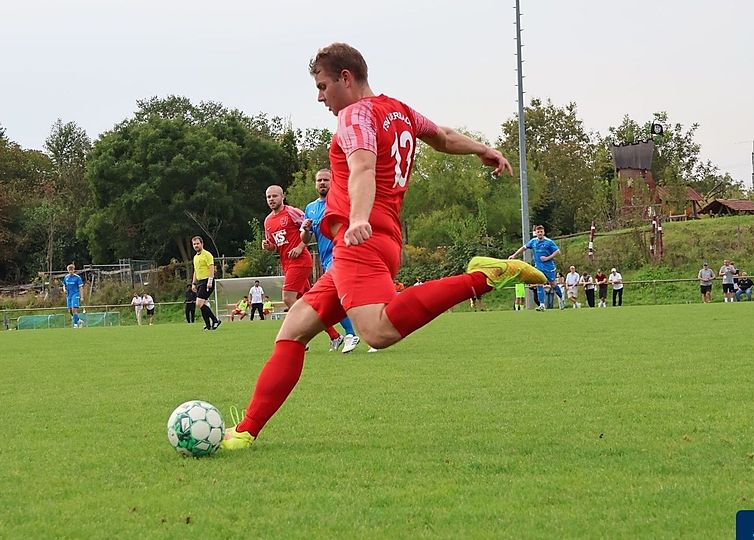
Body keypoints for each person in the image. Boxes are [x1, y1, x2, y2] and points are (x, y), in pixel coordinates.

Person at [221, 42, 544, 451]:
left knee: (378, 331)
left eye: (322, 86)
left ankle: (481, 277)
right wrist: (483, 148)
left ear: (346, 78)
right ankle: (247, 431)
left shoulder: (354, 115)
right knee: (293, 329)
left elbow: (362, 165)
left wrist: (357, 217)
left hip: (362, 239)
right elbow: (442, 135)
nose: (319, 96)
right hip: (381, 238)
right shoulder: (400, 110)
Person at [264, 184, 344, 351]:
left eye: (274, 196)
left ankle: (300, 336)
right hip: (287, 263)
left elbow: (308, 229)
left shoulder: (292, 212)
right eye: (269, 197)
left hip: (300, 261)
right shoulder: (268, 221)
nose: (271, 199)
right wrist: (268, 246)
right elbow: (274, 245)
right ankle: (335, 336)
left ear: (282, 196)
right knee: (310, 303)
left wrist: (300, 247)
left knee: (288, 298)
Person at [301, 168, 361, 353]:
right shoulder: (310, 208)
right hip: (326, 259)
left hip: (342, 254)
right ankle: (369, 328)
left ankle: (351, 334)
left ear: (333, 182)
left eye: (326, 180)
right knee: (344, 298)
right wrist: (305, 229)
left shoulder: (341, 201)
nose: (322, 183)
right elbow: (305, 240)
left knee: (334, 297)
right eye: (319, 180)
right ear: (315, 183)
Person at [508, 224, 561, 311]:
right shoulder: (533, 241)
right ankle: (542, 305)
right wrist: (514, 255)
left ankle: (561, 298)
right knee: (539, 283)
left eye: (541, 232)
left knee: (553, 284)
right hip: (538, 267)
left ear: (544, 232)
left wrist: (548, 258)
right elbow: (524, 248)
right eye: (538, 232)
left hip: (549, 267)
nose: (540, 233)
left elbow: (558, 252)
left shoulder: (549, 242)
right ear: (536, 232)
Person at [191, 235, 221, 330]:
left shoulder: (207, 254)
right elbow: (195, 271)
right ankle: (208, 325)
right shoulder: (195, 257)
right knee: (202, 304)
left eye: (197, 243)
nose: (196, 245)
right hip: (200, 282)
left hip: (207, 281)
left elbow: (211, 268)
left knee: (199, 303)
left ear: (202, 244)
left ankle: (215, 320)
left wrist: (210, 281)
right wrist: (193, 283)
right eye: (194, 244)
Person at [63, 264, 84, 328]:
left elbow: (80, 287)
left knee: (74, 309)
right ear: (68, 271)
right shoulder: (66, 277)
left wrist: (82, 296)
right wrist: (64, 290)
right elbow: (64, 285)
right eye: (69, 270)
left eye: (72, 270)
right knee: (70, 311)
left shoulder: (77, 278)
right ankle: (79, 320)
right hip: (69, 295)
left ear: (74, 270)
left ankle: (75, 325)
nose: (70, 271)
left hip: (75, 294)